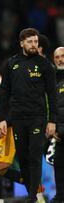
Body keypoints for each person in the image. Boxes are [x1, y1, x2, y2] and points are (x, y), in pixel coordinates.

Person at [0, 28, 57, 203]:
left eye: (36, 42)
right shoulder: (11, 64)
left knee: (34, 155)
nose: (33, 45)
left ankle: (32, 198)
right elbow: (4, 93)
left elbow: (52, 95)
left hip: (37, 118)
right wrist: (1, 119)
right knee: (22, 158)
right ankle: (35, 193)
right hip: (17, 118)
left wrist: (52, 120)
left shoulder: (45, 65)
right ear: (22, 43)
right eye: (30, 42)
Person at [50, 46, 64, 203]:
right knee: (59, 166)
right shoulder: (51, 81)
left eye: (63, 56)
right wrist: (50, 124)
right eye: (57, 57)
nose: (60, 59)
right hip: (59, 135)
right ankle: (60, 197)